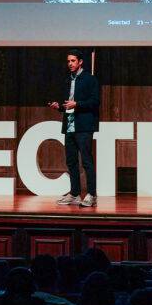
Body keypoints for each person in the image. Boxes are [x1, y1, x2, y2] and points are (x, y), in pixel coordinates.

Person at [47, 48, 100, 206]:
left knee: (86, 161)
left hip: (84, 125)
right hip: (69, 122)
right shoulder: (68, 79)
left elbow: (95, 102)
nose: (70, 64)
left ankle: (91, 194)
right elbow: (68, 103)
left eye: (73, 61)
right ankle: (75, 193)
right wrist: (60, 107)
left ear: (80, 62)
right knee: (71, 161)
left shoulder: (90, 79)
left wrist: (77, 104)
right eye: (68, 61)